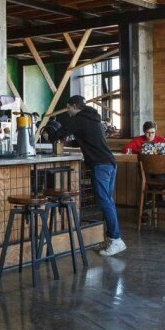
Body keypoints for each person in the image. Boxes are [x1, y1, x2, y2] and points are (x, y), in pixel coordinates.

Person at [44, 95, 125, 257]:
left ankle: (116, 239)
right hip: (109, 163)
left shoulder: (79, 119)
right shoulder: (93, 117)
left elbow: (57, 135)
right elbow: (84, 138)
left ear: (75, 106)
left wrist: (48, 134)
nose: (68, 112)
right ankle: (113, 238)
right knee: (108, 202)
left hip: (100, 165)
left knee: (104, 202)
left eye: (68, 108)